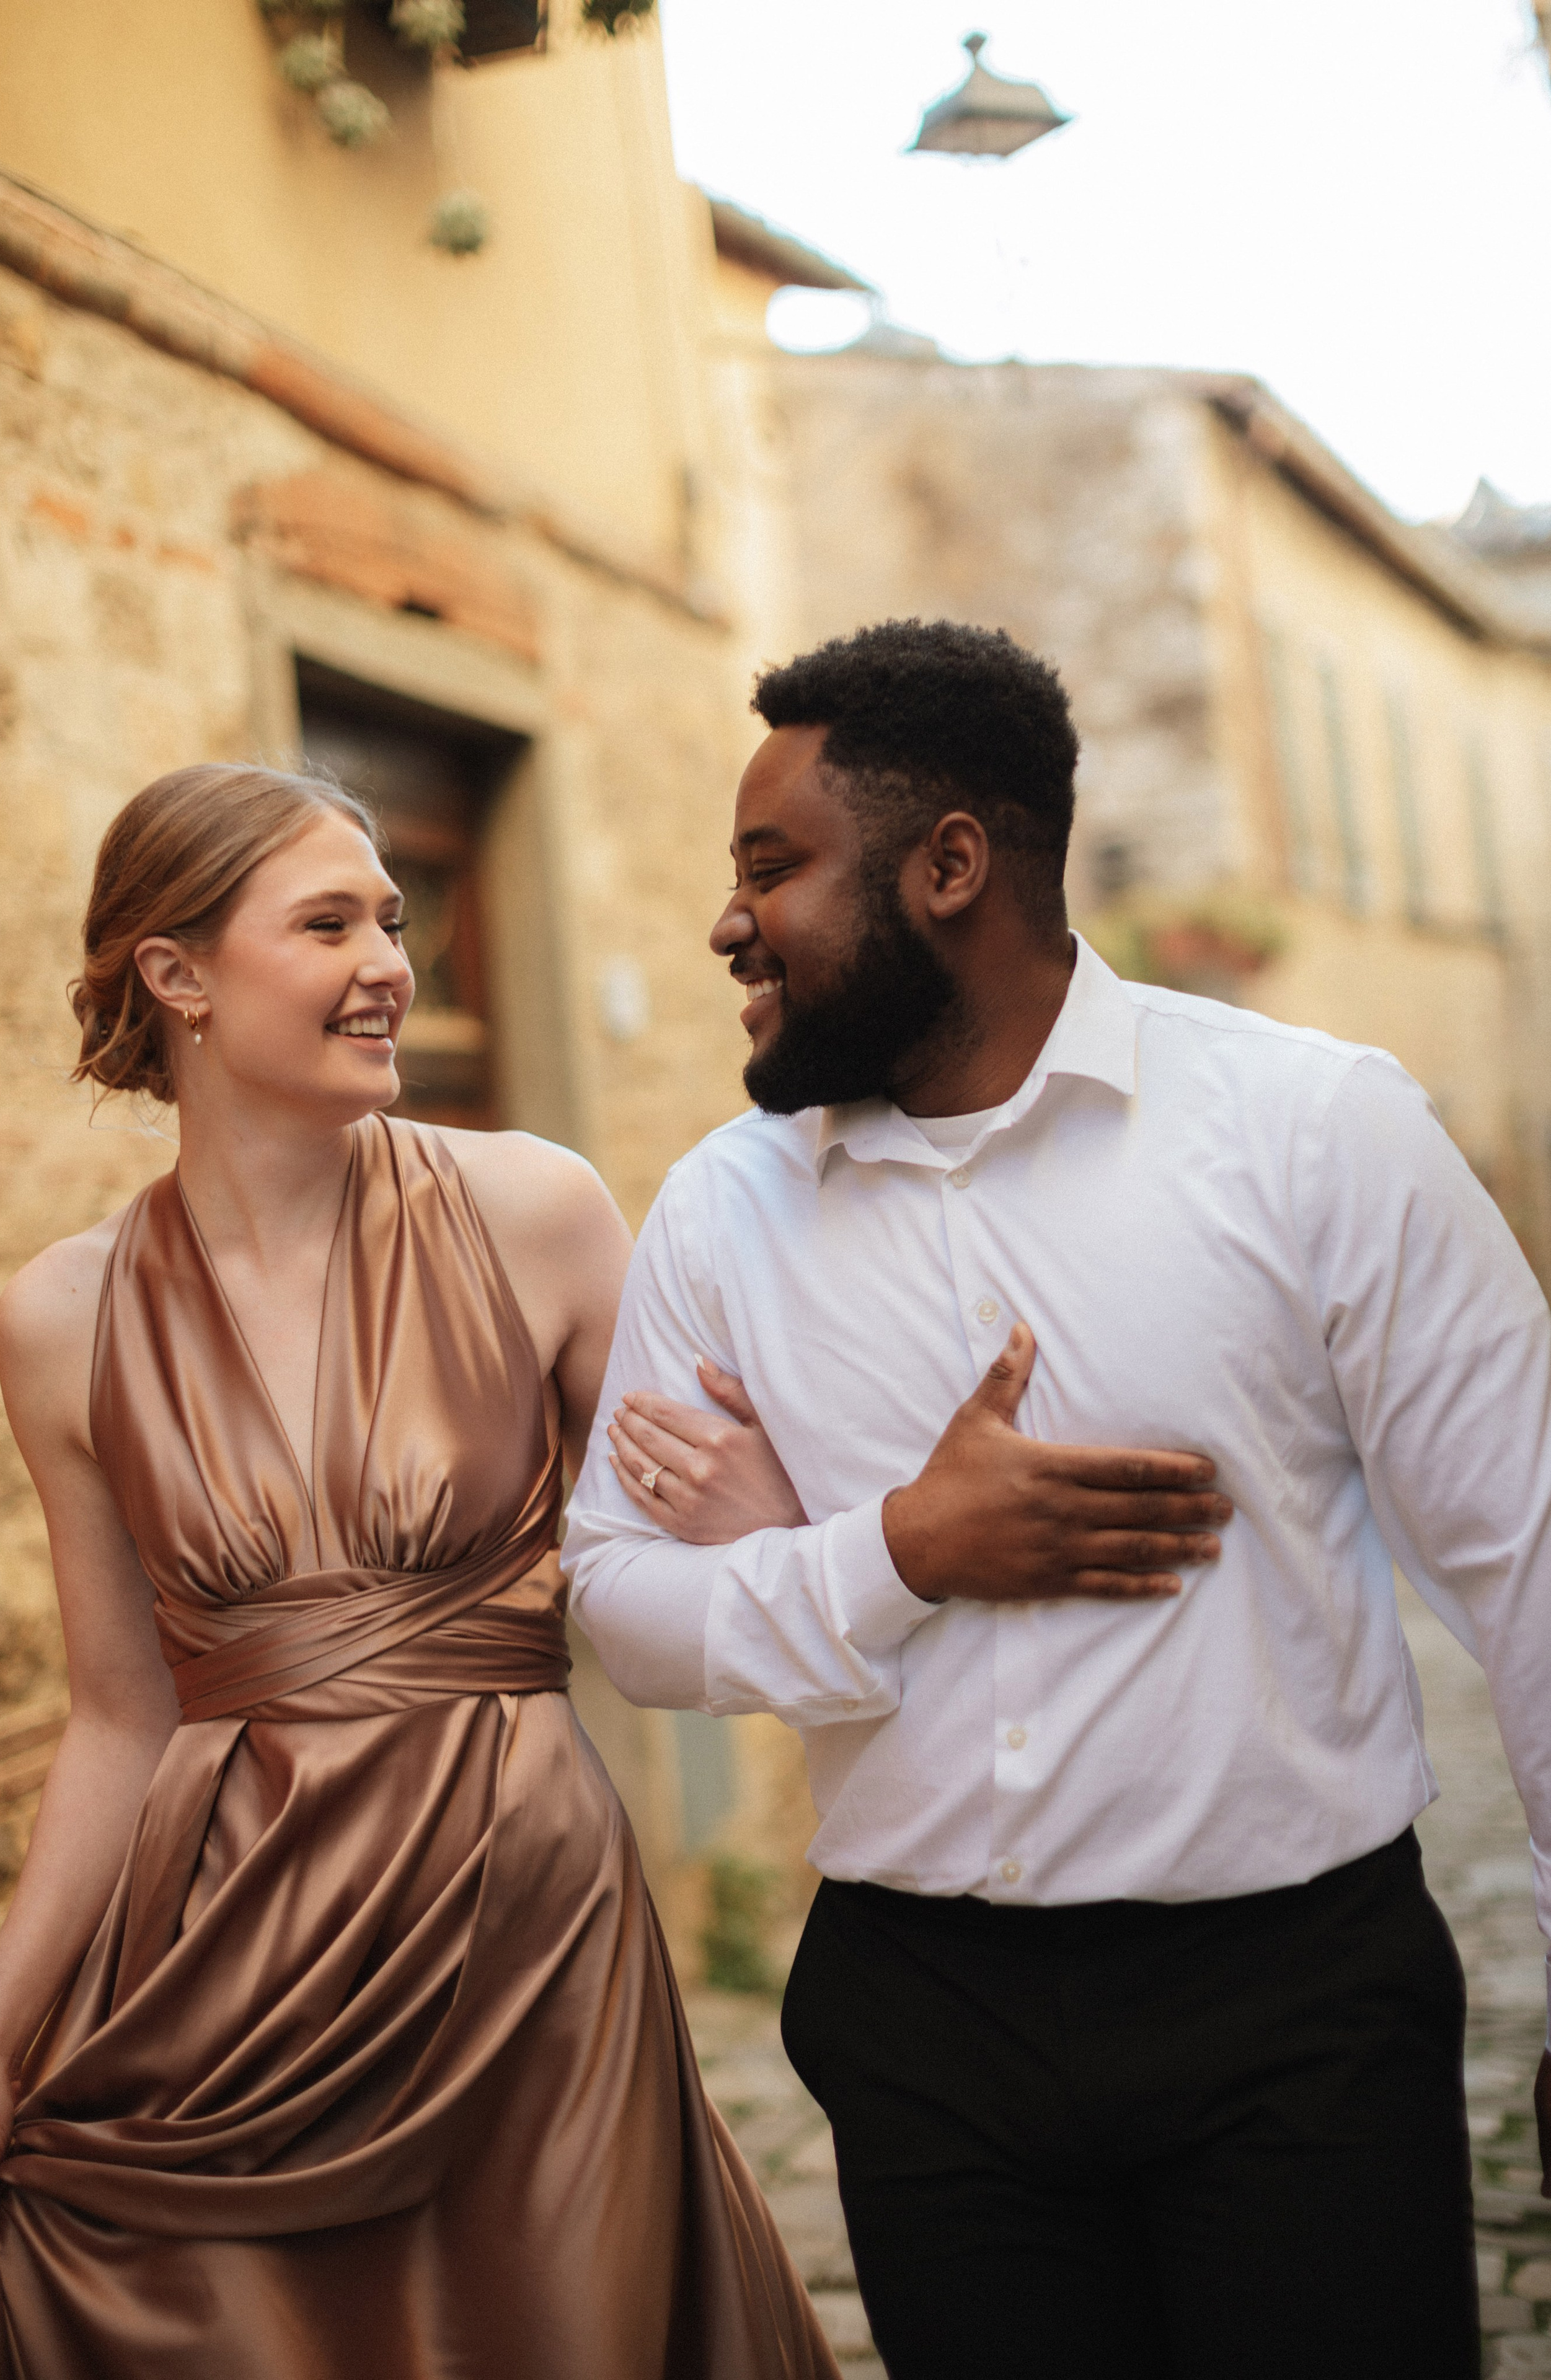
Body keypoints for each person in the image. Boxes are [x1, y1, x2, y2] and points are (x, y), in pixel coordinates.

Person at [564, 619, 1551, 2380]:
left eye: (772, 869)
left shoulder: (1315, 1129)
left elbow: (1527, 1556)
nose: (727, 923)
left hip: (1296, 2019)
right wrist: (889, 1557)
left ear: (952, 865)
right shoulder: (720, 1210)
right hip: (920, 2032)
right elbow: (611, 1603)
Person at [0, 762, 839, 2379]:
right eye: (326, 924)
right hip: (224, 1954)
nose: (389, 962)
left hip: (524, 1937)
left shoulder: (536, 1211)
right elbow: (112, 1714)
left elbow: (706, 1540)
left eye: (391, 918)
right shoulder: (60, 1318)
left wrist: (776, 1513)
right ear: (177, 978)